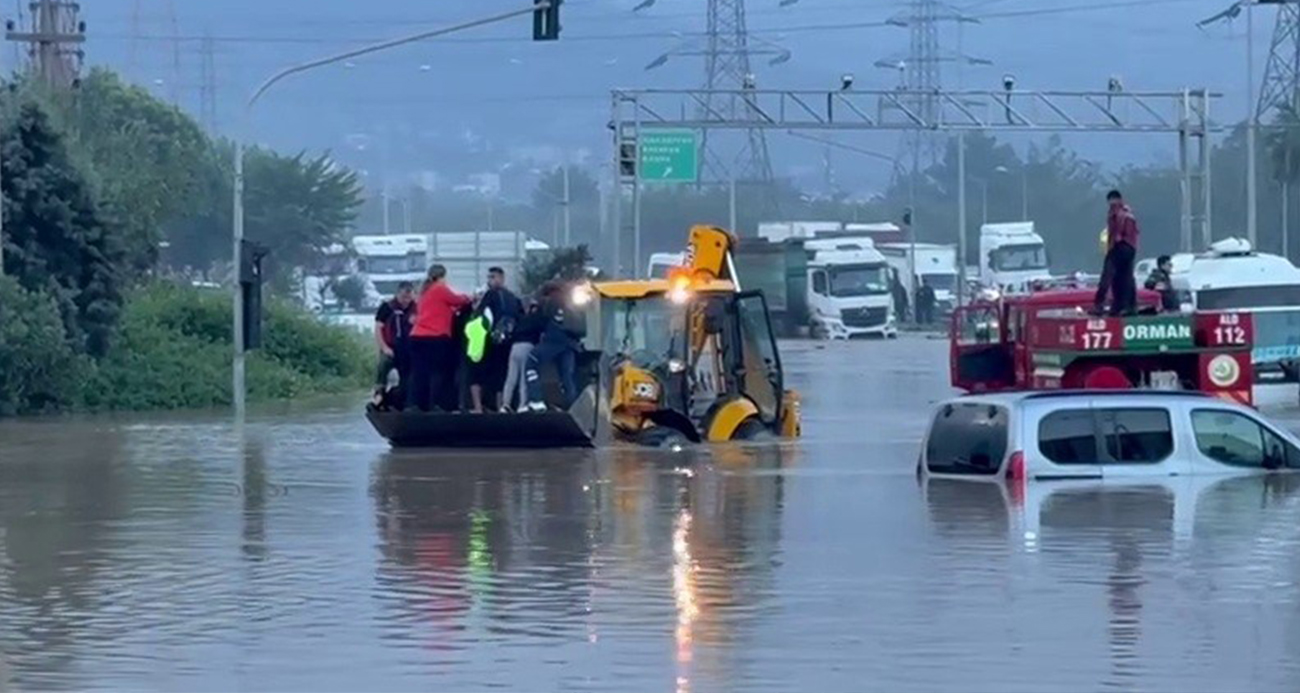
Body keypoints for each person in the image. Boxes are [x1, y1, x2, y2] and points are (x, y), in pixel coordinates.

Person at [407, 264, 472, 412]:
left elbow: (439, 308)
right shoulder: (440, 288)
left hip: (417, 337)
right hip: (435, 337)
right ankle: (437, 405)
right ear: (442, 276)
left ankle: (415, 405)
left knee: (419, 373)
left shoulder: (424, 292)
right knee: (438, 372)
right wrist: (470, 297)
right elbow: (458, 300)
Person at [468, 267, 521, 413]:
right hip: (508, 341)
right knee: (501, 374)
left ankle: (478, 407)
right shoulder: (512, 297)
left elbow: (479, 315)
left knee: (476, 373)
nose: (489, 280)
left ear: (501, 278)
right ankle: (500, 406)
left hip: (488, 340)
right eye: (489, 277)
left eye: (493, 277)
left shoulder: (490, 295)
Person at [523, 283, 581, 412]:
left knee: (531, 361)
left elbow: (537, 322)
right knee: (566, 376)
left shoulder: (548, 301)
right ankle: (572, 407)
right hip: (570, 345)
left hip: (553, 341)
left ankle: (536, 400)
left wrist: (531, 311)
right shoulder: (571, 304)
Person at [1094, 189, 1141, 316]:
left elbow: (1116, 234)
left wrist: (1112, 247)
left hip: (1120, 246)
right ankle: (1128, 306)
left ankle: (1100, 304)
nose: (1111, 203)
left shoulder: (1117, 214)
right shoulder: (1127, 213)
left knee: (1109, 275)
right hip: (1130, 247)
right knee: (1125, 277)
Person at [372, 281, 416, 408]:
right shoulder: (387, 307)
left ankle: (404, 399)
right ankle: (379, 394)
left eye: (409, 297)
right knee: (383, 364)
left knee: (408, 374)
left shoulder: (416, 308)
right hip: (391, 347)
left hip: (408, 349)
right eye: (403, 297)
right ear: (397, 294)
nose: (406, 301)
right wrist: (384, 347)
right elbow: (378, 328)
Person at [501, 297, 545, 413]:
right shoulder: (534, 319)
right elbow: (541, 331)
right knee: (524, 378)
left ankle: (505, 404)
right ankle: (522, 404)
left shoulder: (517, 319)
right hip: (527, 346)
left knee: (511, 378)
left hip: (514, 347)